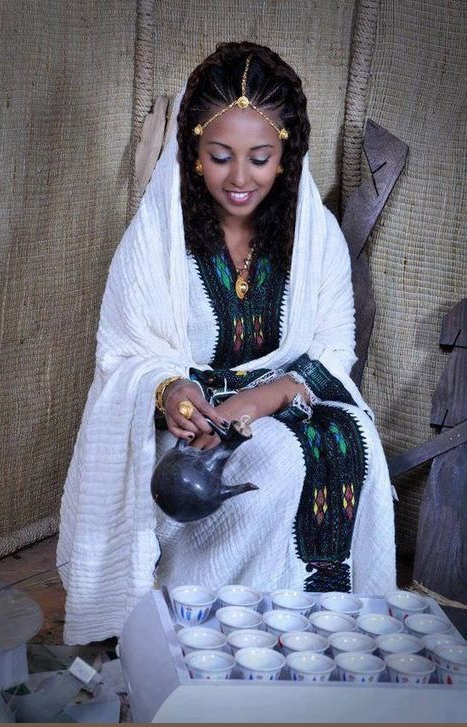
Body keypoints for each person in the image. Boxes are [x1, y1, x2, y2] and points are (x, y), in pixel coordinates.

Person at [57, 41, 396, 645]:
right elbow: (124, 354)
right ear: (192, 153)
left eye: (260, 158)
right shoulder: (158, 237)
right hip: (193, 421)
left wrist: (264, 400)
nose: (240, 179)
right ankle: (212, 632)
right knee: (273, 461)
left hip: (287, 401)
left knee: (348, 440)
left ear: (287, 157)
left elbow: (333, 350)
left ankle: (317, 635)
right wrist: (171, 392)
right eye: (220, 157)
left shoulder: (312, 237)